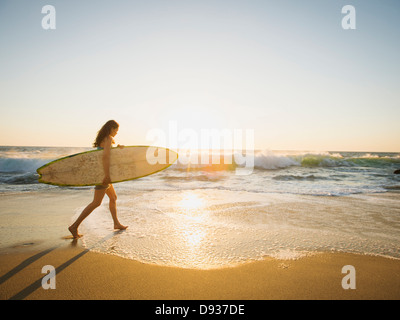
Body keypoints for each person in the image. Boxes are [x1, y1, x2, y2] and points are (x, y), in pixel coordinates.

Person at [68, 120, 127, 239]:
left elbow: (107, 153)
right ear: (111, 128)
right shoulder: (109, 138)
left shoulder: (104, 139)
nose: (116, 133)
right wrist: (106, 175)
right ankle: (74, 226)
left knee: (113, 198)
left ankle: (116, 223)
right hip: (103, 175)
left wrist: (117, 148)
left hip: (101, 173)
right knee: (96, 203)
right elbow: (105, 157)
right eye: (116, 130)